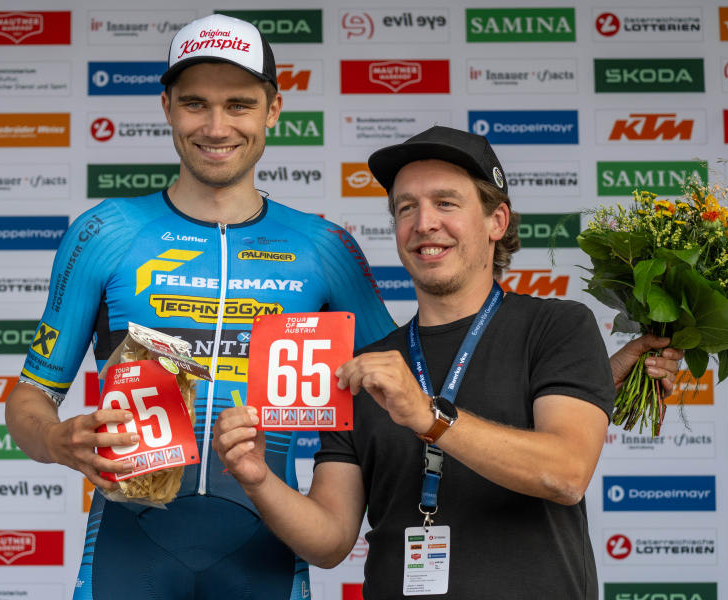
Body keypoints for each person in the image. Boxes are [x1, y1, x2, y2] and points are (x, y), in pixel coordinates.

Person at [4, 14, 395, 600]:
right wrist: (57, 440)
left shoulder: (323, 247)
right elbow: (29, 398)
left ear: (273, 110)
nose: (216, 127)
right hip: (127, 550)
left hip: (267, 551)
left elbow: (394, 392)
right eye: (195, 104)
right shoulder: (105, 232)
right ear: (167, 107)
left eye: (239, 105)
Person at [212, 126, 683, 599]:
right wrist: (260, 481)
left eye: (445, 203)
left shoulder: (557, 327)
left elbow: (565, 474)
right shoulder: (363, 367)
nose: (424, 223)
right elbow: (330, 541)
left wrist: (429, 417)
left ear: (497, 221)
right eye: (406, 207)